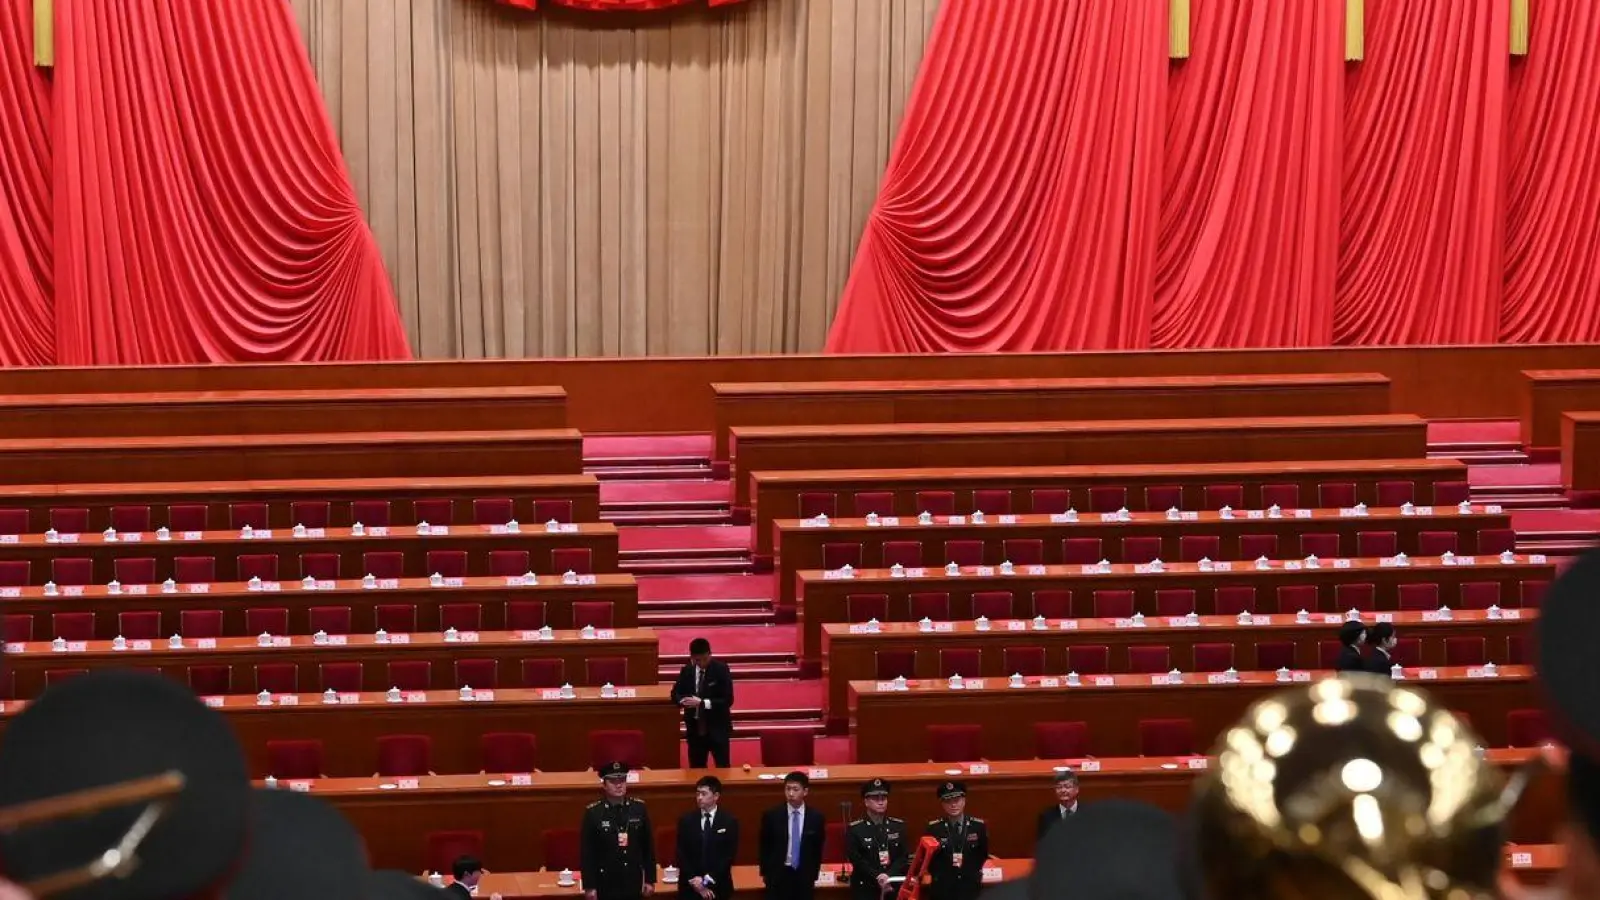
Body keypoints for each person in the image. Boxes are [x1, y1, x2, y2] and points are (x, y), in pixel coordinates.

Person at [580, 762, 656, 900]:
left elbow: (648, 847)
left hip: (633, 880)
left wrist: (650, 880)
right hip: (606, 881)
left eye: (622, 780)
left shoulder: (638, 808)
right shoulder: (593, 812)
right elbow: (587, 853)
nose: (619, 785)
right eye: (613, 781)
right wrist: (589, 886)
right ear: (604, 784)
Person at [758, 771, 825, 900]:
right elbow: (764, 846)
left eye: (795, 789)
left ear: (805, 791)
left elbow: (817, 848)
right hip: (778, 874)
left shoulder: (816, 817)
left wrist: (813, 875)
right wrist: (766, 874)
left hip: (804, 875)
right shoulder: (771, 815)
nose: (790, 793)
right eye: (787, 789)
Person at [671, 637, 735, 768]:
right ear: (692, 658)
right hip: (695, 731)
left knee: (723, 768)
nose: (702, 663)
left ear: (709, 654)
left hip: (717, 728)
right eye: (698, 660)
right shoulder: (687, 670)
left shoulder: (721, 670)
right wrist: (682, 701)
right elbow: (675, 694)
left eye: (705, 659)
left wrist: (702, 703)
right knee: (696, 768)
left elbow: (728, 700)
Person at [675, 776, 739, 900]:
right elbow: (681, 854)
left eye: (704, 794)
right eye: (697, 793)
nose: (699, 797)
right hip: (690, 888)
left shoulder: (729, 821)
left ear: (716, 796)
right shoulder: (686, 821)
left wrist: (705, 882)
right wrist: (696, 882)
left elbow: (728, 856)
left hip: (718, 887)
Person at [844, 778, 909, 900]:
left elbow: (903, 857)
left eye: (883, 798)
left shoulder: (898, 826)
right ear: (866, 802)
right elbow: (856, 860)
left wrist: (888, 876)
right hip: (866, 886)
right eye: (876, 799)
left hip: (893, 884)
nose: (881, 802)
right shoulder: (856, 829)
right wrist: (878, 876)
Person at [923, 782, 988, 900]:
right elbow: (929, 860)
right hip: (943, 888)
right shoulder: (934, 828)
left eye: (957, 800)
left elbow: (982, 854)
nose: (953, 805)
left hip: (969, 887)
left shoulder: (978, 826)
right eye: (948, 801)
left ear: (964, 801)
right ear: (942, 804)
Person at [1034, 770, 1079, 841]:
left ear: (1076, 789)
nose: (1063, 790)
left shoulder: (1087, 813)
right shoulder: (1047, 817)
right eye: (1059, 787)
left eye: (1067, 787)